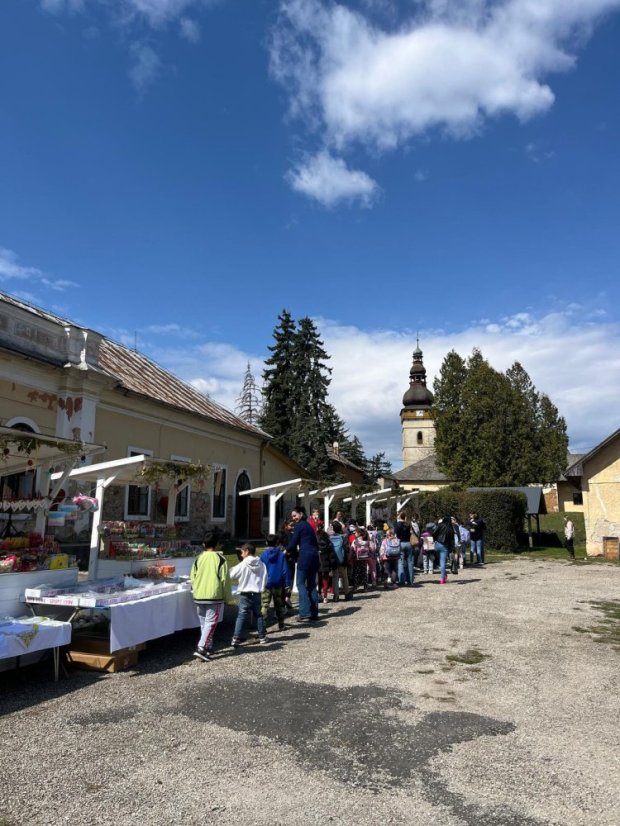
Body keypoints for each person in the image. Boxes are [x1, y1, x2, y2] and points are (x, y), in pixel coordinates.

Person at [189, 531, 233, 662]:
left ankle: (207, 646)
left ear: (203, 544)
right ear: (218, 545)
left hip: (199, 595)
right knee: (211, 623)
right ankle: (202, 647)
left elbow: (193, 576)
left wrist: (195, 589)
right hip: (214, 595)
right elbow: (225, 580)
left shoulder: (198, 559)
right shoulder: (221, 560)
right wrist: (228, 598)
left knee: (204, 623)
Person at [229, 542, 268, 646]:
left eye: (242, 551)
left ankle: (236, 638)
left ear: (247, 551)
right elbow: (265, 578)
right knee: (258, 615)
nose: (240, 553)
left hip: (245, 593)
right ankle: (262, 636)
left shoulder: (243, 564)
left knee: (241, 615)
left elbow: (231, 574)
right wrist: (262, 588)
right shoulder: (261, 564)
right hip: (256, 593)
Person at [287, 506, 320, 622]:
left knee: (300, 583)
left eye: (295, 515)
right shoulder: (309, 526)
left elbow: (293, 543)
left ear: (301, 514)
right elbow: (316, 543)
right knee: (311, 585)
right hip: (314, 556)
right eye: (292, 516)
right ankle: (314, 613)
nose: (293, 518)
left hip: (305, 557)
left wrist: (286, 551)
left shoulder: (299, 526)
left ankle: (304, 612)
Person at [260, 534, 291, 630]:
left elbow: (260, 569)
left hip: (266, 583)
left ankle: (262, 626)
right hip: (278, 583)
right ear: (277, 543)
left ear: (266, 543)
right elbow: (285, 570)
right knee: (279, 604)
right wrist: (287, 583)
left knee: (265, 604)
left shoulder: (263, 555)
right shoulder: (281, 555)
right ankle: (281, 624)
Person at [329, 521, 350, 601]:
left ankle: (336, 596)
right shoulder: (343, 537)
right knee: (344, 577)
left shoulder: (330, 538)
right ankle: (346, 594)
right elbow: (347, 549)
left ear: (333, 529)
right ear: (340, 529)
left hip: (334, 560)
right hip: (342, 560)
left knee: (335, 577)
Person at [432, 515, 455, 585]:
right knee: (442, 562)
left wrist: (435, 540)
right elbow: (452, 541)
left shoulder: (440, 525)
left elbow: (434, 533)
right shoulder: (450, 529)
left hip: (437, 544)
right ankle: (442, 578)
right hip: (445, 546)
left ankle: (444, 575)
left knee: (440, 562)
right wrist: (452, 549)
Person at [395, 511, 415, 586]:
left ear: (400, 516)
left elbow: (396, 534)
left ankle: (402, 581)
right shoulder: (408, 524)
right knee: (410, 562)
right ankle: (410, 581)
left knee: (401, 562)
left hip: (401, 543)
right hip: (408, 543)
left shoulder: (398, 524)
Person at [316, 525, 335, 603]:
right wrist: (332, 563)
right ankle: (325, 596)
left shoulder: (315, 542)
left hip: (318, 562)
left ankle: (319, 594)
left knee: (319, 579)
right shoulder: (328, 542)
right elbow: (331, 555)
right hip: (326, 561)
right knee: (325, 579)